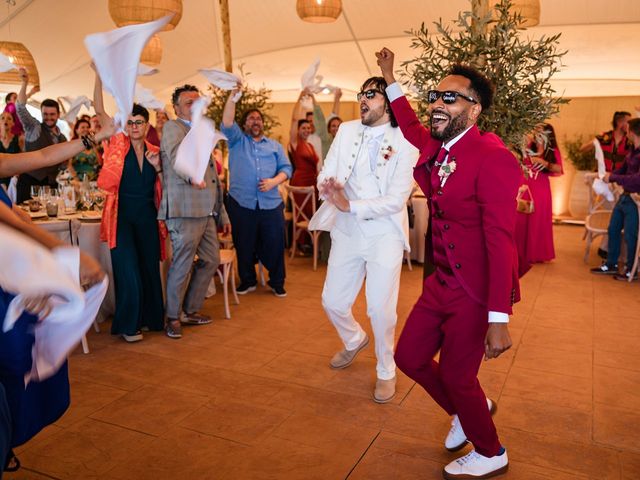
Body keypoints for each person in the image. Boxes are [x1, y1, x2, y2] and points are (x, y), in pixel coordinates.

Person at [377, 47, 521, 479]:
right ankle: (467, 410)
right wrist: (389, 75)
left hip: (475, 291)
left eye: (450, 98)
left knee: (460, 376)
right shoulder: (437, 146)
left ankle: (492, 449)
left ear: (474, 109)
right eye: (435, 96)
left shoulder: (493, 157)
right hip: (440, 282)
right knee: (409, 358)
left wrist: (499, 316)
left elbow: (500, 241)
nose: (437, 104)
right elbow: (408, 123)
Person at [313, 75, 418, 403]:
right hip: (347, 229)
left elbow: (396, 200)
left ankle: (386, 369)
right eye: (361, 94)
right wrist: (326, 186)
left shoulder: (407, 142)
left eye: (370, 94)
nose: (362, 99)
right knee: (332, 301)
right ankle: (354, 338)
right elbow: (326, 169)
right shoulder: (345, 130)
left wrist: (352, 204)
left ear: (388, 102)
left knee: (380, 309)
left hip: (384, 233)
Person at [94, 70, 166, 341]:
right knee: (128, 269)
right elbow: (99, 110)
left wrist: (158, 169)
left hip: (148, 216)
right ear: (125, 124)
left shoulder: (155, 153)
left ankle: (150, 318)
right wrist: (99, 77)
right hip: (121, 216)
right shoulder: (115, 145)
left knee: (149, 268)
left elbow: (164, 189)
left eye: (139, 122)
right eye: (130, 122)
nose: (134, 126)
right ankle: (128, 324)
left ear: (147, 126)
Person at [159, 85, 230, 339]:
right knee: (182, 264)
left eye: (197, 102)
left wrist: (221, 211)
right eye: (189, 103)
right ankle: (172, 316)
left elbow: (213, 176)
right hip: (184, 208)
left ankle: (189, 310)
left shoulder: (202, 130)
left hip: (207, 209)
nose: (194, 106)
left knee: (211, 260)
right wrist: (192, 178)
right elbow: (178, 157)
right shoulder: (172, 128)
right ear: (176, 108)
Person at [220, 86, 292, 297]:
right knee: (244, 242)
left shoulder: (275, 146)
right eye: (251, 119)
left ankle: (277, 281)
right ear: (244, 124)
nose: (255, 121)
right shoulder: (236, 141)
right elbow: (226, 122)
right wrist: (232, 97)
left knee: (275, 242)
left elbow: (287, 169)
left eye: (258, 118)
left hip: (270, 203)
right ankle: (247, 280)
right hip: (241, 203)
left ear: (263, 123)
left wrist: (274, 182)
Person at [590, 118, 640, 280]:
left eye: (628, 129)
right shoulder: (632, 151)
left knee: (631, 235)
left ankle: (631, 269)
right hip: (625, 197)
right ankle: (611, 264)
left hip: (635, 200)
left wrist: (612, 177)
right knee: (613, 230)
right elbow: (623, 171)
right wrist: (609, 176)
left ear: (633, 132)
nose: (626, 131)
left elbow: (637, 179)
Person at [516, 123, 563, 274]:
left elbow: (559, 169)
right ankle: (520, 252)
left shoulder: (551, 150)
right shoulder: (529, 146)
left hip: (541, 188)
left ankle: (536, 253)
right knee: (522, 219)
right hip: (526, 185)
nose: (536, 133)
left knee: (537, 220)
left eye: (540, 131)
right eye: (535, 130)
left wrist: (544, 163)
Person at [15, 68, 66, 204]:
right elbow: (20, 108)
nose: (48, 118)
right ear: (42, 114)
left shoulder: (63, 139)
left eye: (52, 114)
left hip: (51, 185)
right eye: (45, 114)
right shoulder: (34, 127)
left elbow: (63, 166)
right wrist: (24, 83)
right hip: (29, 183)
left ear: (58, 115)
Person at [289, 91, 320, 253]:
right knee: (301, 214)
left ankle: (310, 243)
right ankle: (301, 244)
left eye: (308, 127)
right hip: (300, 183)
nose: (306, 130)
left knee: (311, 212)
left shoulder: (310, 145)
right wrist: (300, 98)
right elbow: (294, 119)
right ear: (298, 130)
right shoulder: (295, 143)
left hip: (313, 183)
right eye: (303, 128)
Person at [307, 88, 342, 167]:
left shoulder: (343, 140)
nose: (311, 123)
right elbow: (320, 116)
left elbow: (334, 115)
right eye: (309, 121)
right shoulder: (324, 136)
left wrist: (337, 98)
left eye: (338, 126)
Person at [0, 112, 24, 188]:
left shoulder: (19, 139)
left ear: (13, 123)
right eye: (2, 118)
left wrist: (17, 176)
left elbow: (23, 158)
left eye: (9, 118)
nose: (5, 120)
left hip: (14, 179)